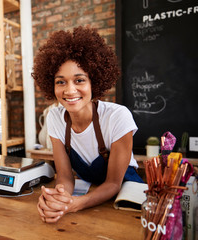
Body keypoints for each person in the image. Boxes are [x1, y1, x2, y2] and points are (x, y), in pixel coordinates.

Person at [32, 26, 144, 223]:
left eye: (79, 80)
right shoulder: (55, 118)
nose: (70, 90)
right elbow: (66, 177)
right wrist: (59, 198)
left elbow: (112, 183)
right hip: (91, 198)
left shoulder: (118, 117)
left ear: (95, 82)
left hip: (125, 198)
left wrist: (75, 204)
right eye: (61, 82)